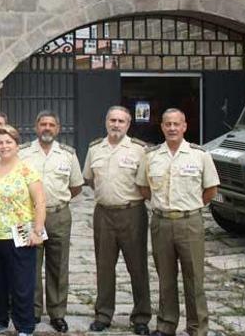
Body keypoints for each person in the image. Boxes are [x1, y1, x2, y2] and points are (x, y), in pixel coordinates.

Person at [136, 109, 219, 336]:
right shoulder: (151, 156)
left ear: (184, 126)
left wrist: (190, 206)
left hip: (189, 223)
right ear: (162, 127)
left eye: (176, 124)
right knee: (165, 277)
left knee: (194, 279)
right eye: (168, 124)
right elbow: (143, 187)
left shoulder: (200, 155)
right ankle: (166, 325)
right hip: (161, 223)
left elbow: (211, 190)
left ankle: (197, 328)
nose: (172, 128)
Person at [82, 106, 150, 335]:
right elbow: (90, 180)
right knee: (104, 267)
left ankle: (141, 317)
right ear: (106, 122)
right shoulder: (94, 149)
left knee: (137, 266)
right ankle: (103, 314)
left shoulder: (140, 150)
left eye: (121, 121)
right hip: (103, 214)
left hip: (132, 213)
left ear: (128, 124)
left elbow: (146, 184)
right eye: (113, 120)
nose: (116, 125)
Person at [18, 111, 83, 333]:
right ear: (36, 127)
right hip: (28, 214)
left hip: (58, 215)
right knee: (30, 264)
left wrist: (54, 203)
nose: (47, 128)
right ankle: (33, 311)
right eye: (43, 124)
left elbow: (75, 187)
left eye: (51, 125)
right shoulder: (23, 153)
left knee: (58, 265)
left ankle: (57, 313)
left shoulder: (68, 154)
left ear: (58, 128)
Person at [0, 125, 46, 336]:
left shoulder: (27, 170)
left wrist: (37, 231)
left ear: (16, 145)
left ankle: (25, 326)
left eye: (9, 142)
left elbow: (40, 202)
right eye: (0, 142)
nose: (4, 146)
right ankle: (0, 320)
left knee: (22, 284)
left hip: (21, 234)